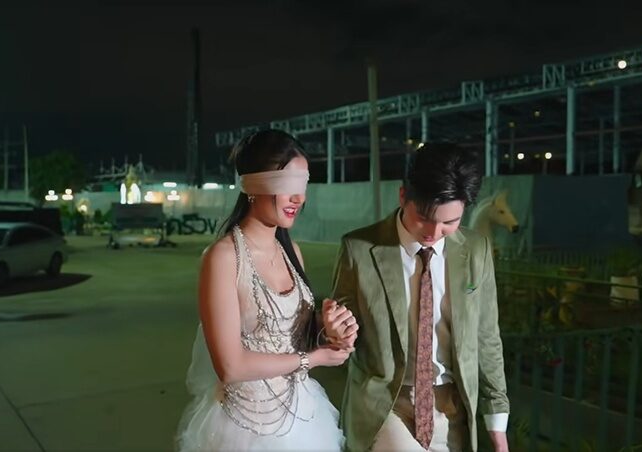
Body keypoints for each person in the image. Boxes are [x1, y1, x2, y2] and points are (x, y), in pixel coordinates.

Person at [324, 143, 510, 452]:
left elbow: (487, 336)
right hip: (386, 404)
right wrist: (335, 332)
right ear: (403, 196)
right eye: (424, 217)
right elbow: (340, 332)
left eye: (449, 222)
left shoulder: (476, 250)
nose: (434, 232)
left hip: (452, 407)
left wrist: (497, 420)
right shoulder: (359, 249)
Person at [175, 129, 351, 451]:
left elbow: (289, 336)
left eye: (303, 186)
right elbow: (230, 366)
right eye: (289, 186)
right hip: (245, 429)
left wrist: (330, 331)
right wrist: (313, 359)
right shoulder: (224, 258)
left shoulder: (292, 252)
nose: (300, 199)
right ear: (255, 186)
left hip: (303, 419)